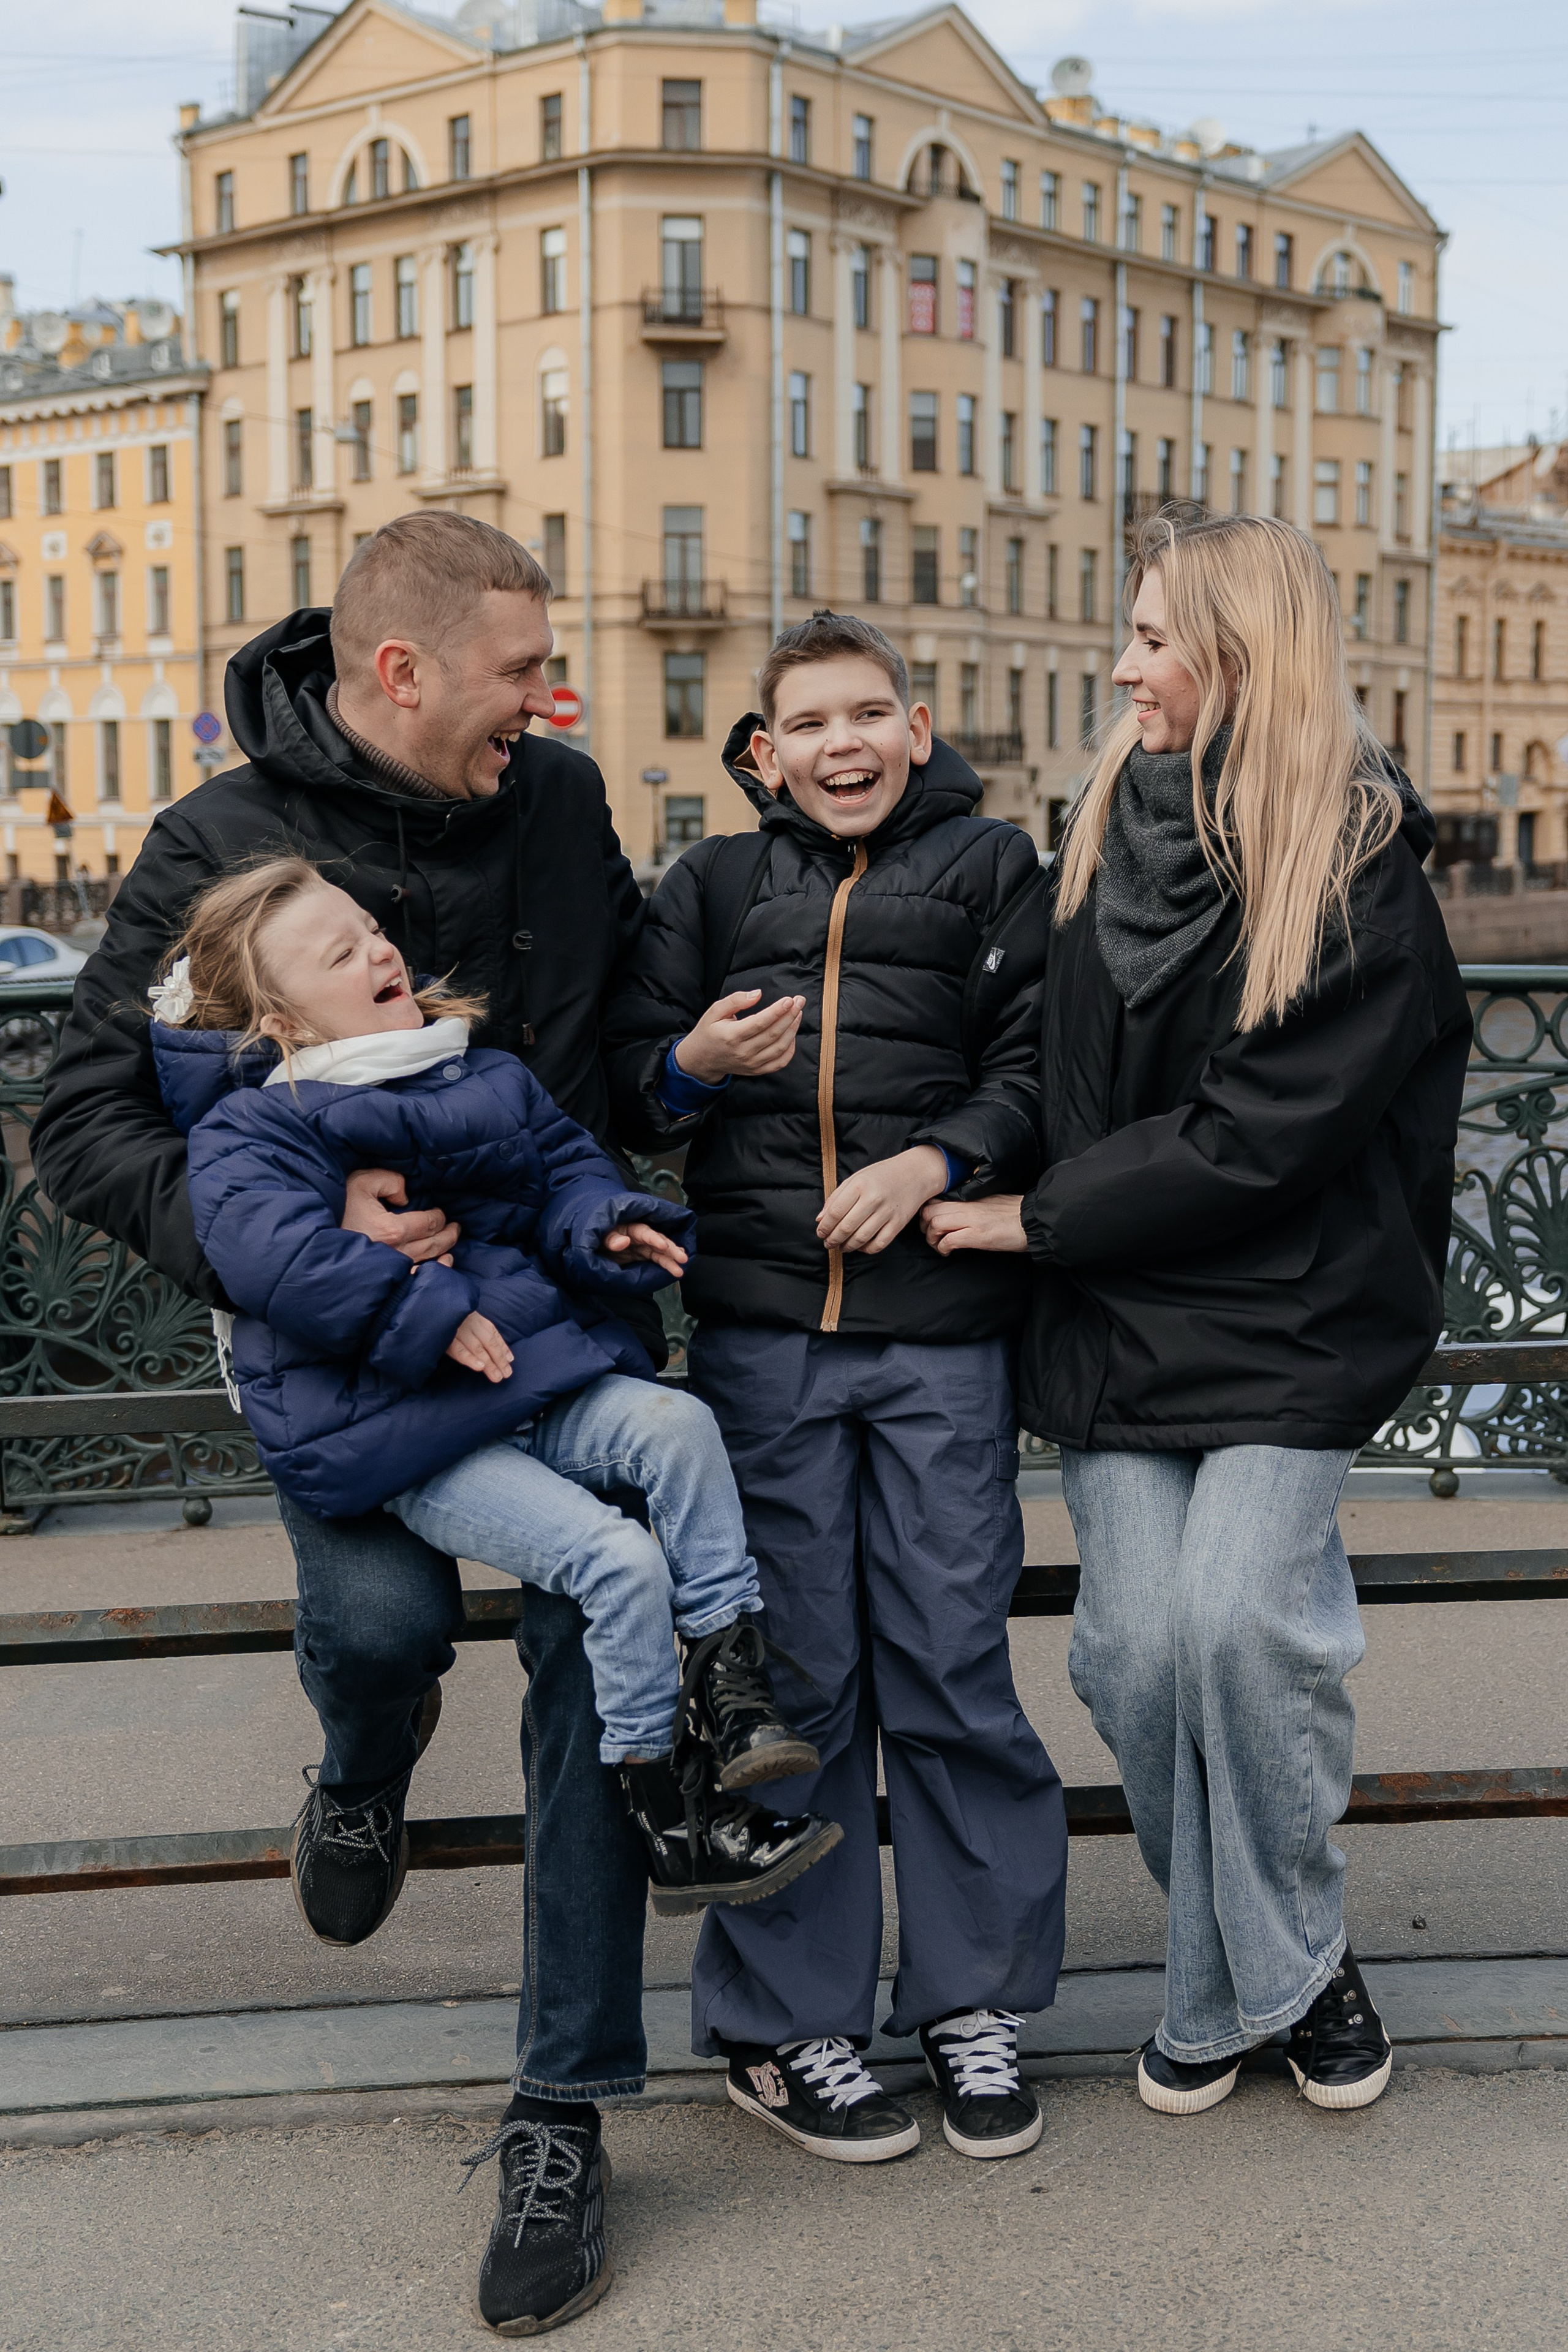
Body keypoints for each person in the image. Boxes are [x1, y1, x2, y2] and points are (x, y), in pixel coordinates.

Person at [30, 513, 671, 2334]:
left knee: (592, 1628)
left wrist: (680, 1078)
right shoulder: (214, 847)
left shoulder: (553, 808)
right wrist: (305, 1246)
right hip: (341, 1354)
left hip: (542, 1327)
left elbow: (607, 1048)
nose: (547, 699)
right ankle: (363, 1767)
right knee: (386, 1624)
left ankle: (562, 2108)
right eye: (519, 672)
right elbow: (85, 1125)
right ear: (399, 672)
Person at [924, 510, 1470, 2118]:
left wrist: (1032, 1215)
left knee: (1239, 1626)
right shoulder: (1098, 827)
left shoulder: (1356, 864)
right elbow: (1027, 1056)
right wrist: (938, 1146)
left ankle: (1281, 1973)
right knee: (1138, 1655)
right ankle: (1268, 1962)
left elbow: (1262, 1139)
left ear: (1243, 656)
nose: (1124, 666)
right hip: (1112, 1322)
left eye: (1156, 639)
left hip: (1290, 1319)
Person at [151, 855, 842, 1924]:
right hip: (401, 1431)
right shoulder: (256, 1123)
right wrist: (424, 1312)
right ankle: (672, 1815)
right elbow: (270, 1258)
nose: (381, 950)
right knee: (614, 1561)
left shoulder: (473, 1073)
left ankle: (733, 1687)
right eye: (343, 956)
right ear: (282, 1018)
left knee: (680, 1425)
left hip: (521, 1378)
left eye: (372, 930)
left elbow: (562, 1170)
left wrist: (604, 1224)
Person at [605, 610, 1067, 2166]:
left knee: (949, 1664)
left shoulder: (993, 869)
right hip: (760, 1338)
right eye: (808, 725)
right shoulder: (711, 884)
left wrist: (939, 1159)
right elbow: (624, 1084)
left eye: (868, 715)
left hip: (940, 1335)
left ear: (916, 728)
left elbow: (1038, 1069)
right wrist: (692, 1070)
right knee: (790, 1690)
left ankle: (972, 2001)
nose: (843, 746)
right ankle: (791, 2027)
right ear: (764, 752)